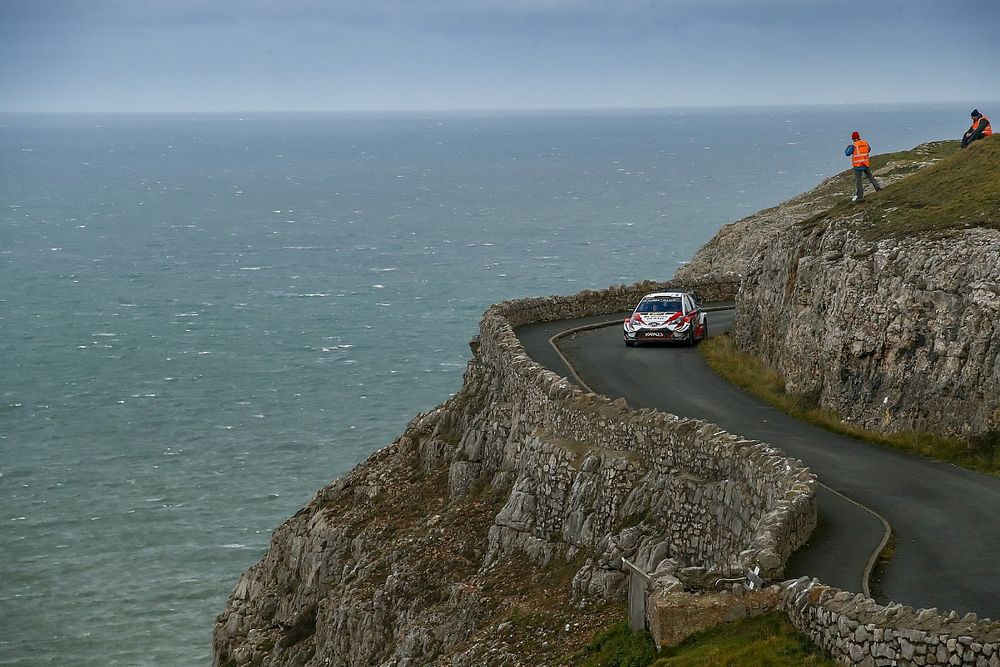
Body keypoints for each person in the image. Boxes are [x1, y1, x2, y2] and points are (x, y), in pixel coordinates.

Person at [844, 131, 881, 202]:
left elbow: (847, 153)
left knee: (859, 181)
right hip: (865, 163)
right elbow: (869, 149)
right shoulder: (865, 143)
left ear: (853, 138)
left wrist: (847, 148)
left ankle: (860, 196)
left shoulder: (853, 145)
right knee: (870, 177)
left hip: (858, 165)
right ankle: (878, 188)